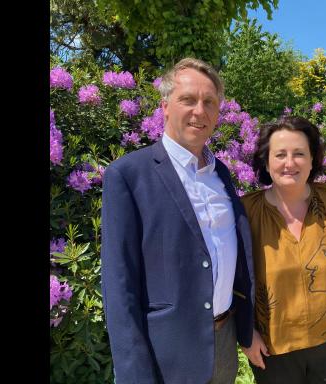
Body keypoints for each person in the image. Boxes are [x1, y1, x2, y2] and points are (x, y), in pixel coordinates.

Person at [101, 57, 255, 384]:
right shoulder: (128, 175)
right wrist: (134, 374)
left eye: (209, 102)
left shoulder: (222, 174)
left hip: (223, 343)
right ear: (165, 107)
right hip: (167, 355)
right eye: (188, 99)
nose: (199, 110)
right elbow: (119, 284)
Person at [240, 116, 326, 384]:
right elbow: (234, 278)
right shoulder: (247, 211)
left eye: (299, 153)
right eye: (280, 154)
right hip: (273, 347)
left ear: (312, 160)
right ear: (266, 162)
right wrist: (246, 333)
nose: (290, 163)